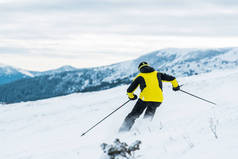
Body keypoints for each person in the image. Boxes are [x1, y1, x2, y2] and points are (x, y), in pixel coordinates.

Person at [119, 61, 180, 132]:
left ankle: (123, 131)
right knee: (148, 115)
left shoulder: (140, 76)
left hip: (144, 99)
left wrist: (132, 97)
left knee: (134, 115)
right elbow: (172, 79)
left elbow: (129, 90)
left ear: (140, 69)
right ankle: (145, 130)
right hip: (157, 99)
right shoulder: (158, 74)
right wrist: (176, 87)